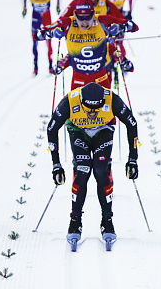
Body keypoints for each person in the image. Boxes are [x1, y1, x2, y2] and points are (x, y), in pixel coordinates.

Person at [47, 82, 139, 246]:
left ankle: (107, 220)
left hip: (103, 130)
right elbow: (51, 129)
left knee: (101, 171)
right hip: (78, 131)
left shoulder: (112, 99)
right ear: (82, 102)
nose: (92, 113)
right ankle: (75, 220)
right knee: (83, 170)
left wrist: (132, 158)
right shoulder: (69, 101)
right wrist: (56, 165)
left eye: (97, 109)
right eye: (88, 109)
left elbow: (132, 123)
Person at [34, 0, 138, 90]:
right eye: (80, 17)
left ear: (93, 13)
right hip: (78, 80)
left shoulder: (102, 21)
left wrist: (120, 27)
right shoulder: (66, 23)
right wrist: (51, 33)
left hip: (100, 78)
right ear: (75, 14)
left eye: (88, 17)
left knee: (107, 108)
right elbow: (37, 35)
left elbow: (134, 26)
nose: (84, 22)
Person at [60, 0, 133, 75]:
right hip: (82, 39)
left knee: (108, 57)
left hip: (103, 40)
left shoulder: (105, 3)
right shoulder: (77, 3)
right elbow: (61, 21)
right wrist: (60, 30)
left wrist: (121, 26)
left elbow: (120, 18)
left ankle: (113, 70)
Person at [23, 0, 60, 75]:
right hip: (35, 17)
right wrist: (24, 8)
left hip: (46, 16)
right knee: (34, 40)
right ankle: (35, 66)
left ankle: (50, 66)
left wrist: (58, 6)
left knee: (49, 41)